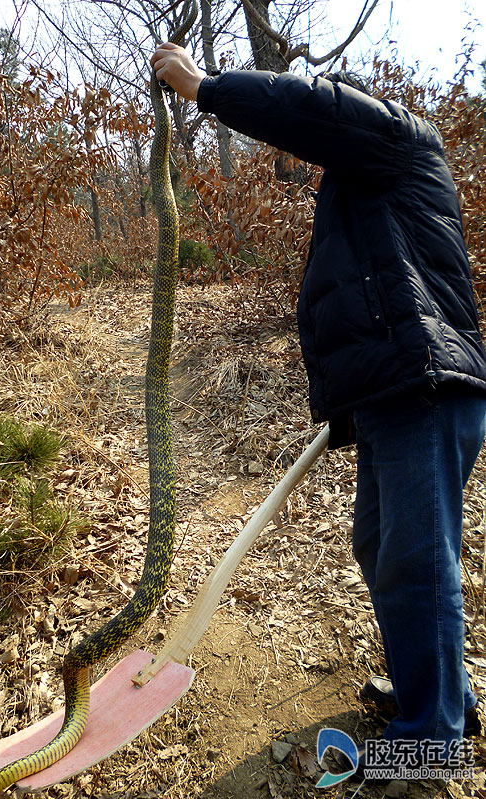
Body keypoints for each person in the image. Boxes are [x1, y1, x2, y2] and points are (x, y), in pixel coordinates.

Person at [151, 43, 486, 773]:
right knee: (383, 548)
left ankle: (435, 739)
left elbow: (310, 107)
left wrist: (207, 88)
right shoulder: (367, 189)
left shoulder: (398, 136)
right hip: (391, 398)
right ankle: (436, 692)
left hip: (424, 386)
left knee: (413, 558)